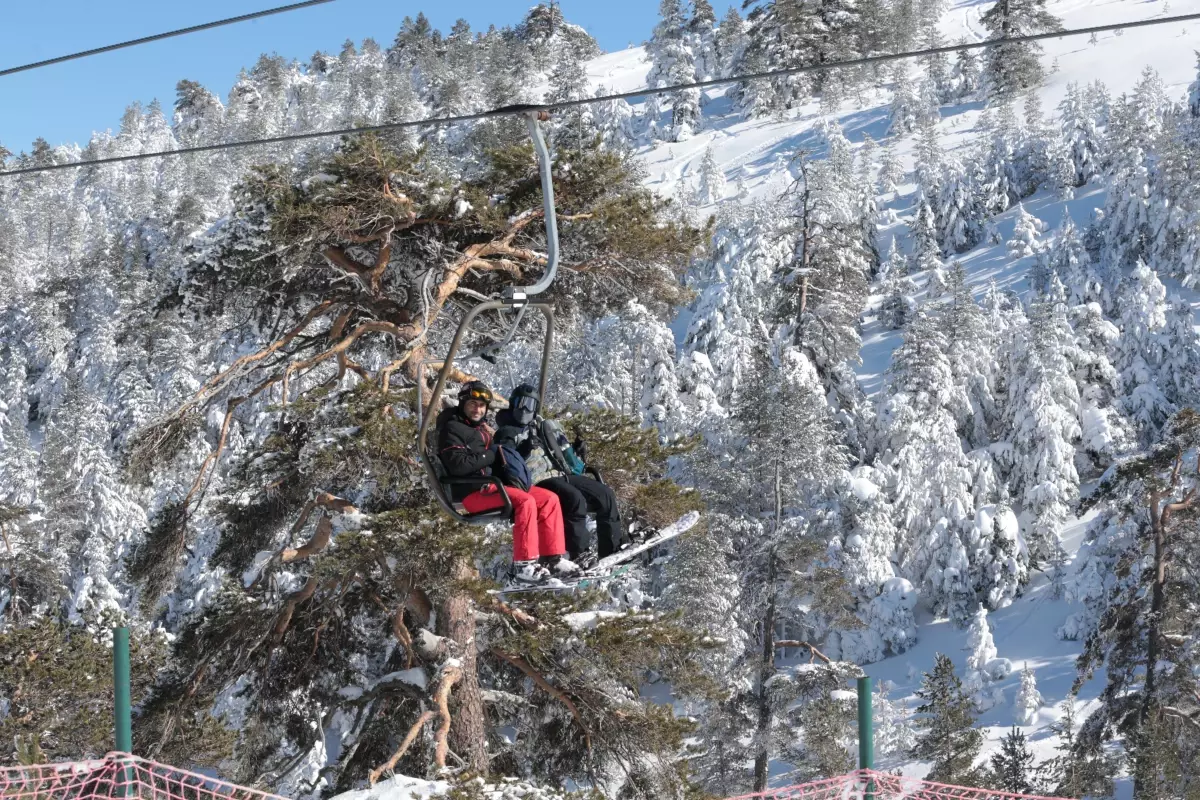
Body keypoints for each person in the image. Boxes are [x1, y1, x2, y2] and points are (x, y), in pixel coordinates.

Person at [436, 381, 580, 585]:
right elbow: (458, 466)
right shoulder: (452, 429)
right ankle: (524, 565)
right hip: (470, 492)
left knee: (549, 499)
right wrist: (490, 454)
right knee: (525, 502)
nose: (477, 409)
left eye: (481, 406)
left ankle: (552, 558)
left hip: (494, 486)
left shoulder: (480, 430)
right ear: (462, 403)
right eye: (473, 404)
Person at [495, 384, 632, 569]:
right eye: (522, 403)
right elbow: (507, 460)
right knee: (574, 500)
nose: (525, 409)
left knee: (605, 494)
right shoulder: (506, 432)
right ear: (513, 404)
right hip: (537, 481)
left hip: (560, 474)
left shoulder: (538, 427)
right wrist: (524, 449)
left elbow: (556, 453)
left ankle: (612, 550)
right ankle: (579, 555)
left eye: (530, 405)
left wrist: (576, 451)